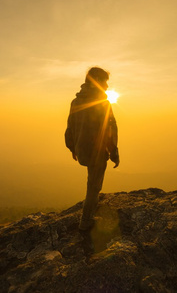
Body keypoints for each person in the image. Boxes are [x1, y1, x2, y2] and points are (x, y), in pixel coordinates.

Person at [65, 67, 120, 231]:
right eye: (104, 82)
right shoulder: (102, 103)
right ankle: (86, 221)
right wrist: (114, 152)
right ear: (96, 80)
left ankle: (89, 211)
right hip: (97, 150)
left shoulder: (76, 101)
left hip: (82, 148)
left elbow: (70, 126)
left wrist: (72, 147)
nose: (107, 86)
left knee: (92, 182)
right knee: (94, 186)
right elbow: (110, 129)